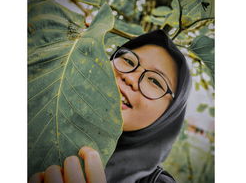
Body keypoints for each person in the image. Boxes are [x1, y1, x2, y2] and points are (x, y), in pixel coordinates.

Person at [29, 29, 191, 183]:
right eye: (128, 61)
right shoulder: (37, 127)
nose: (131, 79)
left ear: (170, 115)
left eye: (155, 81)